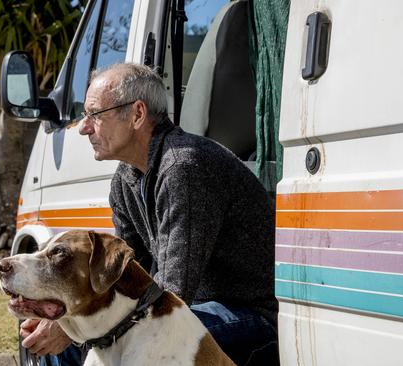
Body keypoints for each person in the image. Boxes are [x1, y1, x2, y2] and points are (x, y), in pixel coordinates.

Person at [21, 63, 279, 366]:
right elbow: (126, 277)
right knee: (72, 334)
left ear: (138, 114)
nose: (83, 127)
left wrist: (75, 326)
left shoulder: (184, 167)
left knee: (90, 338)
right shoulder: (125, 179)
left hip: (248, 315)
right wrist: (66, 312)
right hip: (187, 308)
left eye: (94, 115)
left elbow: (171, 293)